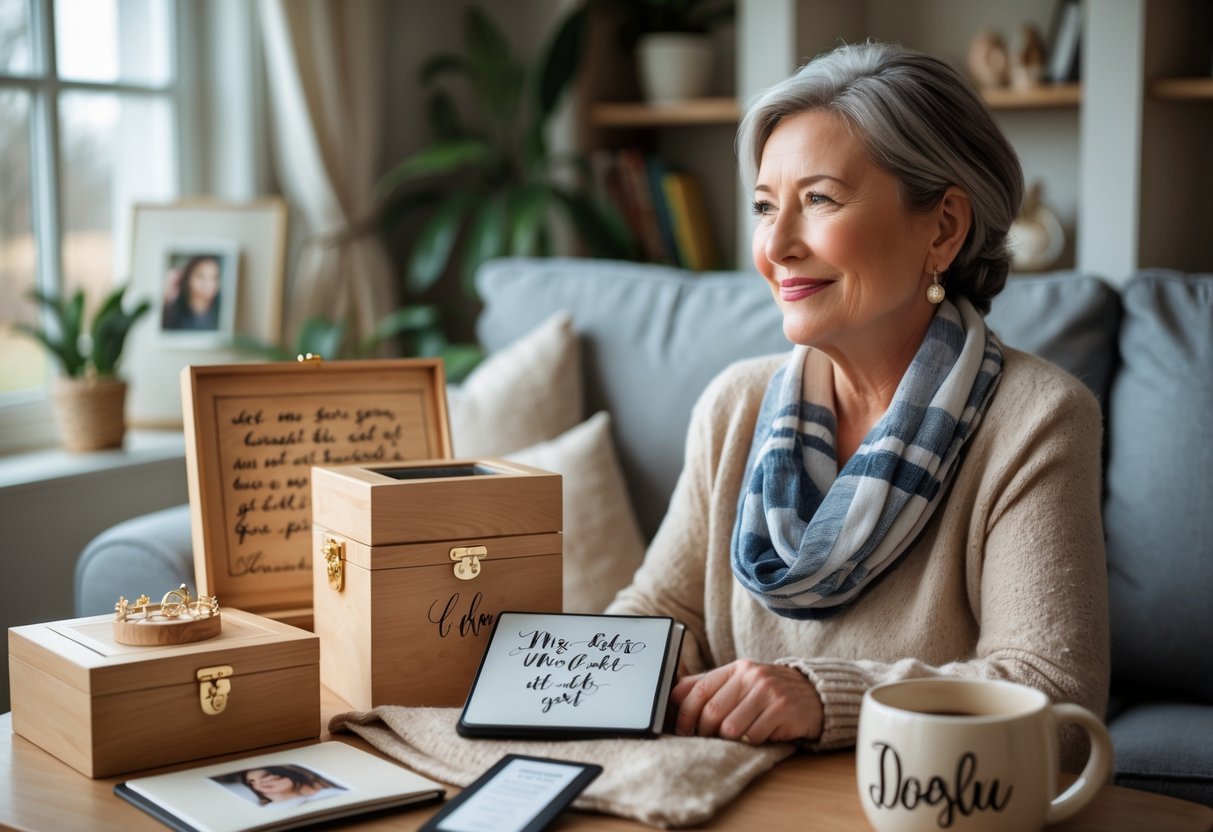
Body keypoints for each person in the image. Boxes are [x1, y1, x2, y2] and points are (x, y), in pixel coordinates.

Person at [606, 41, 1108, 770]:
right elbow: (660, 615)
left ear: (942, 228)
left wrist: (822, 697)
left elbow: (1053, 701)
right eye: (763, 206)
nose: (775, 245)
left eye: (817, 200)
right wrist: (605, 676)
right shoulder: (734, 404)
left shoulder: (1036, 420)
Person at [161, 254, 222, 331]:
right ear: (188, 277)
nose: (207, 284)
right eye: (200, 276)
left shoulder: (219, 316)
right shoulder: (172, 314)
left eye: (213, 278)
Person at [240, 765, 347, 808]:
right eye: (252, 782)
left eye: (267, 776)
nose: (259, 784)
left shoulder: (330, 794)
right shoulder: (266, 808)